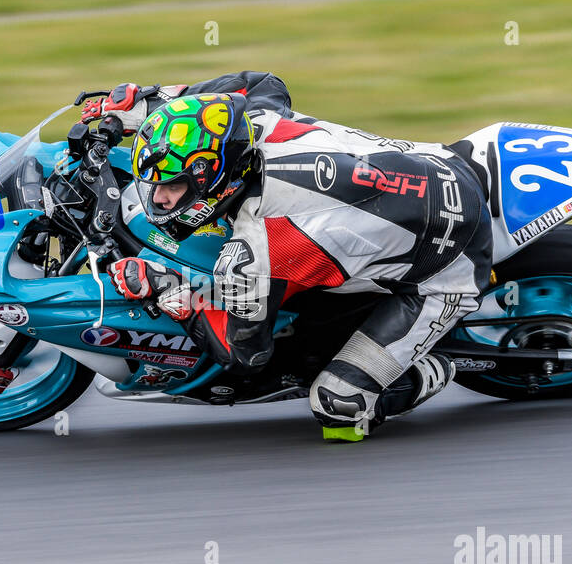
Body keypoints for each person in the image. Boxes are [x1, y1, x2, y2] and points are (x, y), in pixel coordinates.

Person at [81, 72, 492, 441]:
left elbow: (245, 356)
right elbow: (263, 83)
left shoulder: (259, 245)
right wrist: (159, 101)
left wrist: (166, 289)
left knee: (337, 407)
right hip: (438, 163)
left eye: (173, 187)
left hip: (448, 264)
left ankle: (436, 367)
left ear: (213, 180)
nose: (158, 197)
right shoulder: (256, 120)